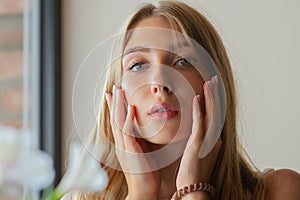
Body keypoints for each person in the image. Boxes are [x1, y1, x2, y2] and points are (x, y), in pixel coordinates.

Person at [74, 0, 300, 199]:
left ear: (215, 84)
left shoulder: (280, 192)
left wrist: (193, 190)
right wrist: (140, 193)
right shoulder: (77, 199)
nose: (159, 82)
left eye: (183, 61)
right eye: (138, 65)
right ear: (116, 94)